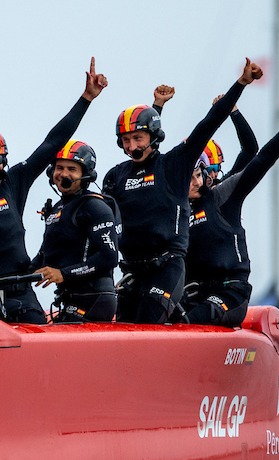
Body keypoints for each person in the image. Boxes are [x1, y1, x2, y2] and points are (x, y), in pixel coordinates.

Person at [0, 58, 107, 324]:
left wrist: (86, 98)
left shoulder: (11, 182)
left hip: (21, 294)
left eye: (1, 159)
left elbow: (51, 143)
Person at [103, 59, 263, 324]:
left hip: (166, 269)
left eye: (137, 139)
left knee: (148, 324)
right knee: (123, 328)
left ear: (153, 137)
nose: (131, 146)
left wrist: (241, 84)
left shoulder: (174, 165)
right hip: (134, 272)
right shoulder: (116, 176)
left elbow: (208, 124)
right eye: (126, 140)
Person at [182, 82, 279, 327]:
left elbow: (259, 157)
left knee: (188, 320)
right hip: (193, 295)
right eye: (188, 177)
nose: (199, 181)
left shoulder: (223, 195)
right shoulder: (174, 210)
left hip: (229, 293)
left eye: (200, 174)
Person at [31, 140, 120, 322]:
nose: (63, 174)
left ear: (84, 174)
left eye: (72, 169)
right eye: (59, 167)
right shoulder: (56, 209)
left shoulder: (95, 206)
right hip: (70, 297)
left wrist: (63, 274)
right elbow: (42, 257)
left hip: (94, 297)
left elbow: (109, 257)